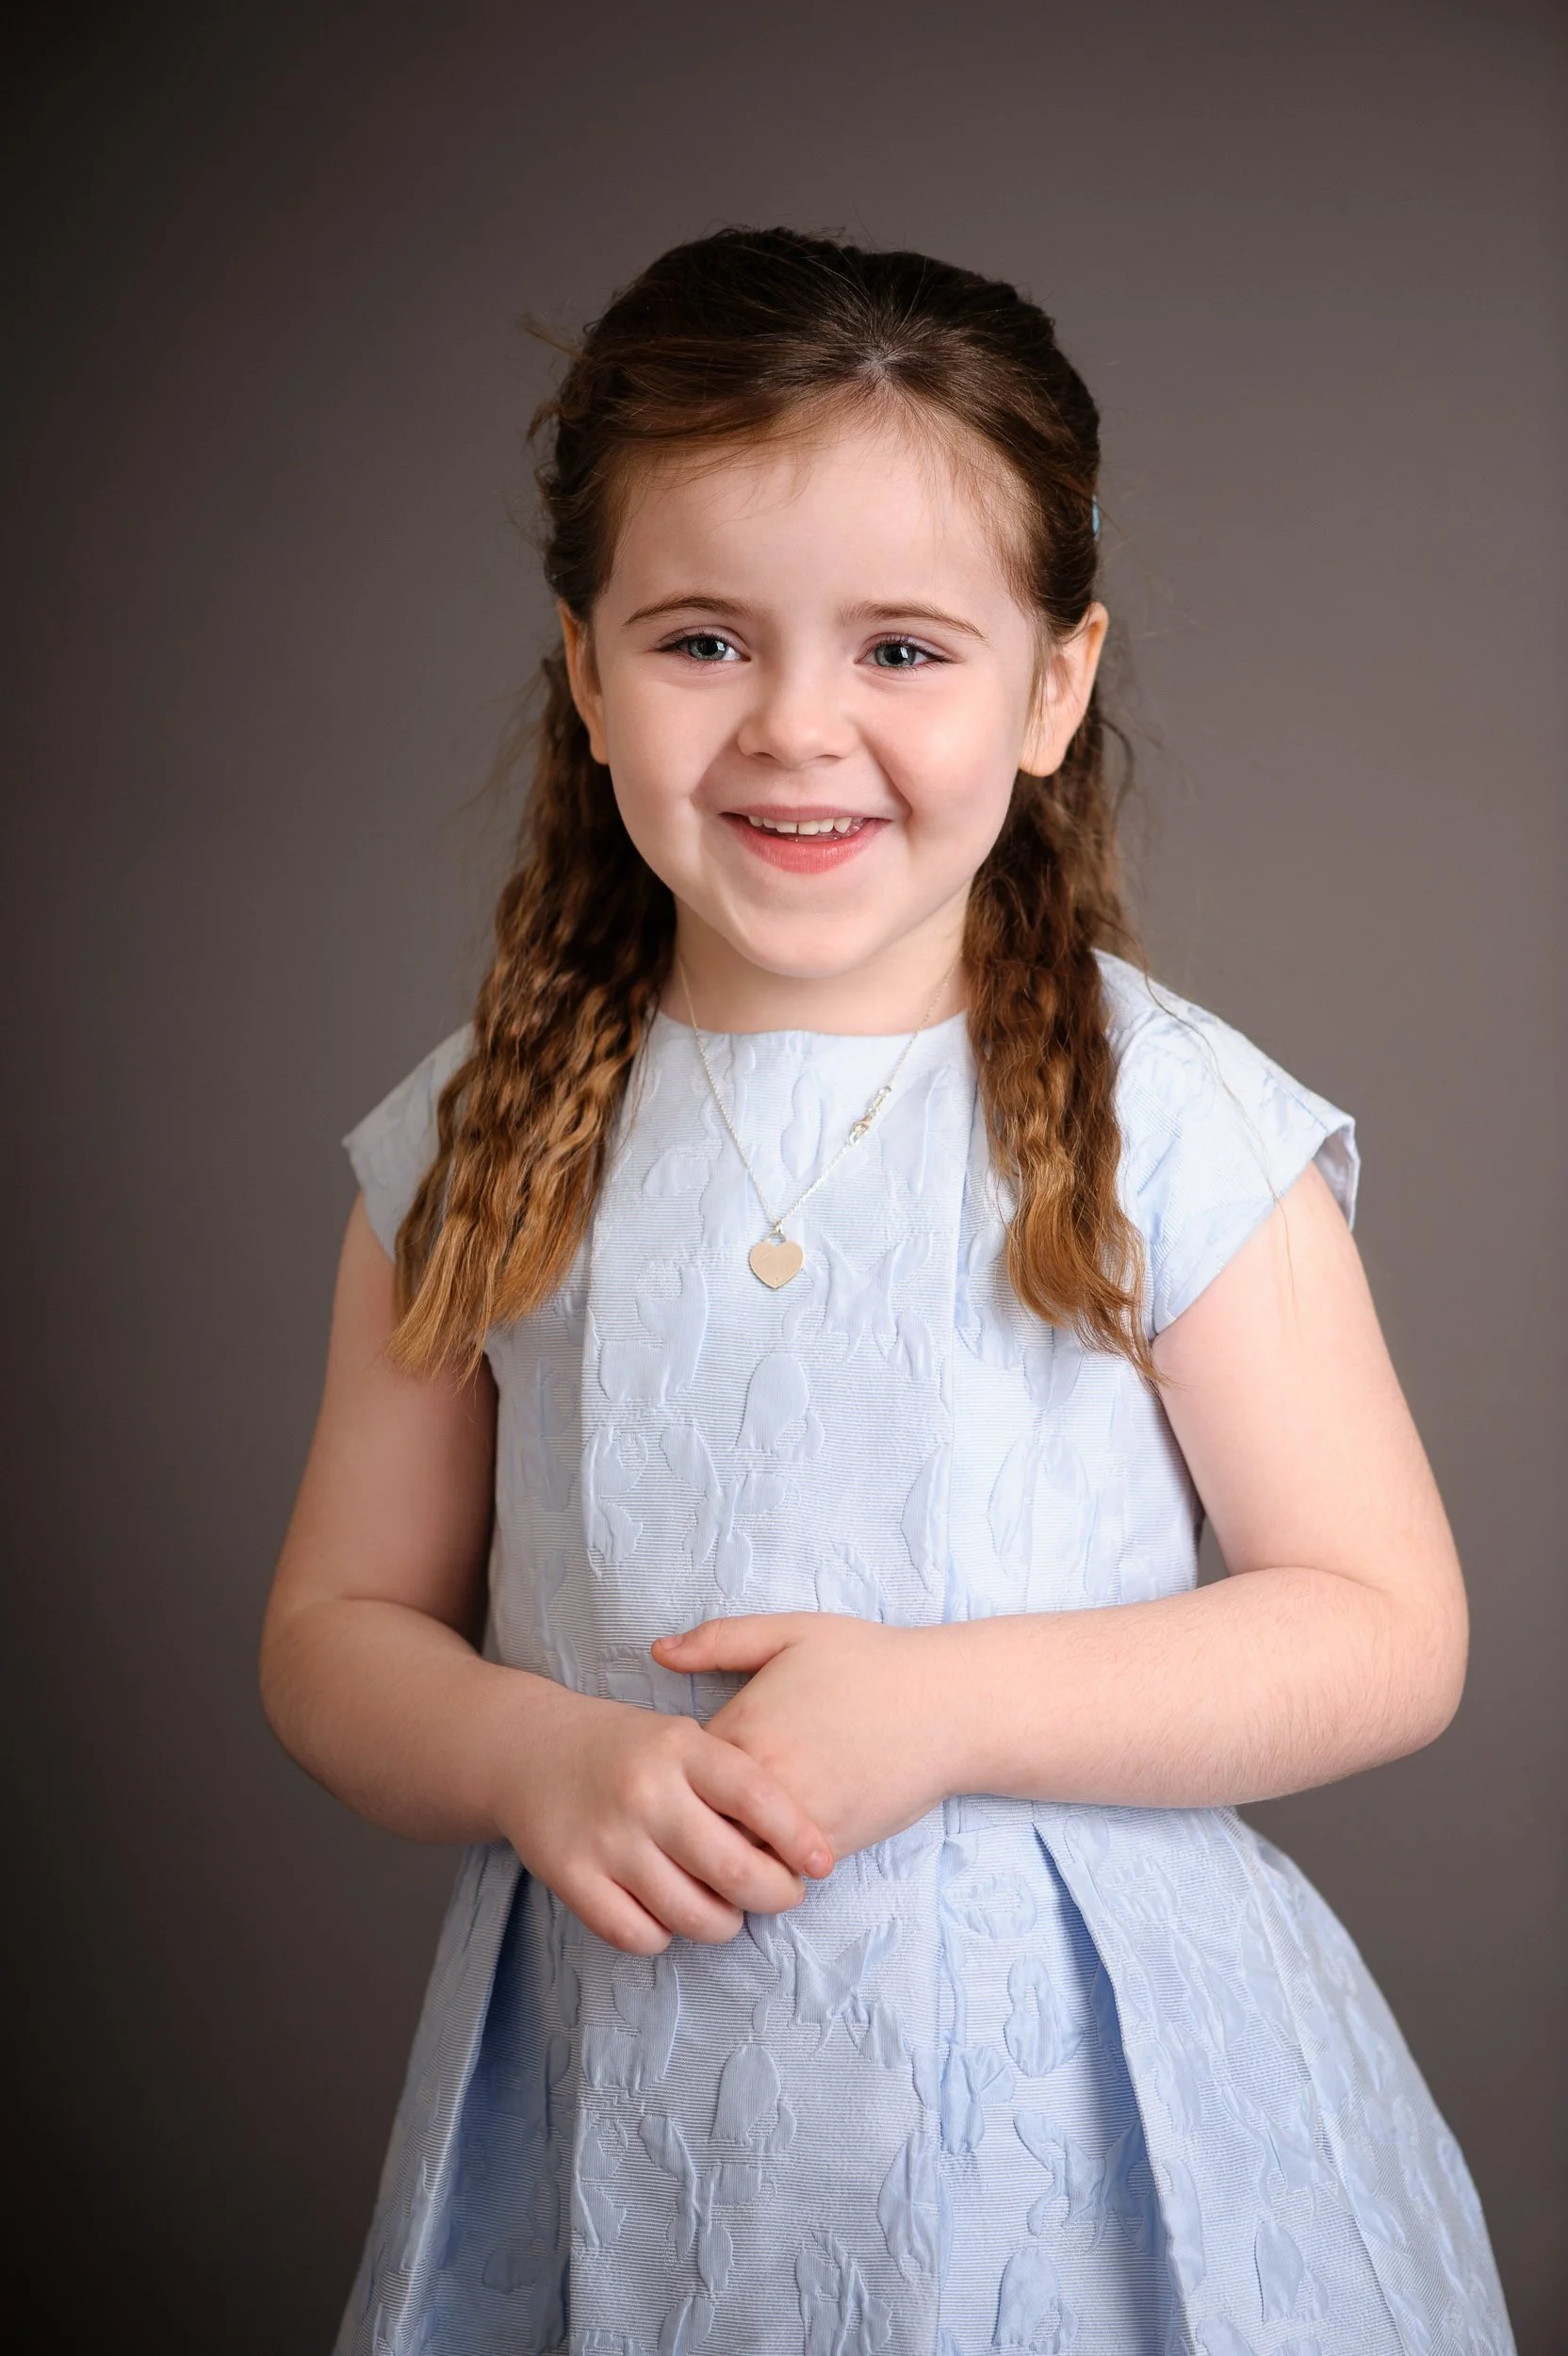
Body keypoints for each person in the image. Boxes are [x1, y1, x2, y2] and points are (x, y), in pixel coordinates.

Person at [260, 226, 1515, 2356]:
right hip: (623, 2116)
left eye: (905, 649)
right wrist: (528, 1752)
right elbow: (335, 1630)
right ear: (585, 673)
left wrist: (941, 1708)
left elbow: (1386, 1625)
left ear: (1053, 686)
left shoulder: (1165, 1120)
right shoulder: (480, 1131)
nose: (796, 727)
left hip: (1077, 2120)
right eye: (702, 639)